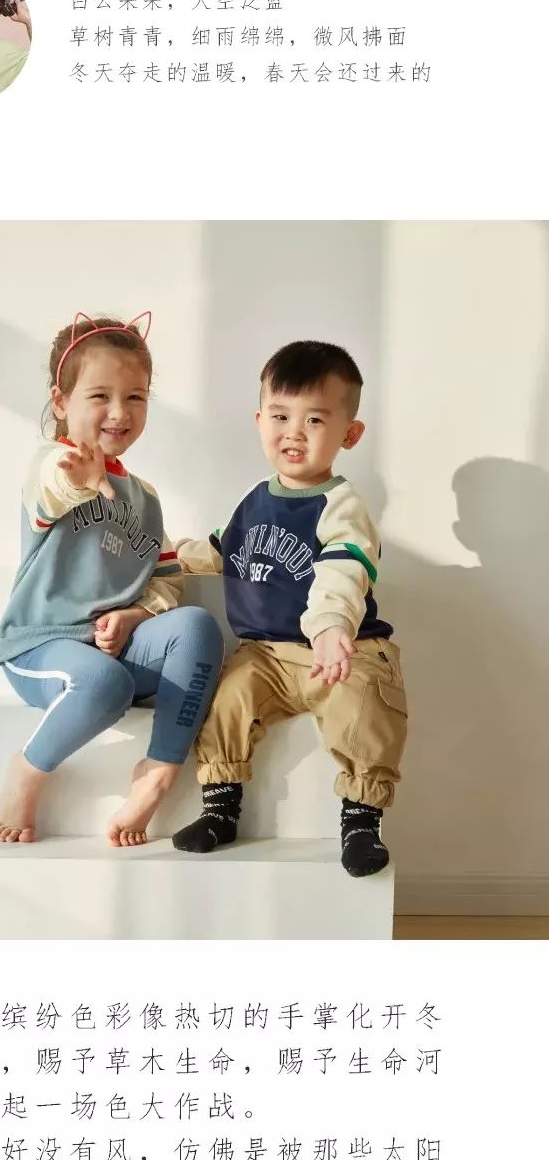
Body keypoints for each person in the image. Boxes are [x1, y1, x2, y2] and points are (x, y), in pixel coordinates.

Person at [173, 340, 408, 877]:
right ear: (260, 421)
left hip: (343, 647)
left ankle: (361, 819)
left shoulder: (342, 506)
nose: (294, 432)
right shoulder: (254, 498)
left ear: (350, 434)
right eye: (280, 416)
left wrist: (331, 626)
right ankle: (220, 808)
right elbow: (219, 550)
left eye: (315, 420)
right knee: (228, 697)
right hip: (266, 655)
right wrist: (166, 555)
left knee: (366, 706)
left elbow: (343, 571)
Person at [0, 311, 224, 848]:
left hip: (115, 649)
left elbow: (166, 578)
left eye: (136, 397)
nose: (120, 412)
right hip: (42, 648)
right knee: (103, 682)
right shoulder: (52, 465)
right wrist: (83, 478)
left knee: (196, 626)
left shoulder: (145, 498)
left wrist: (136, 615)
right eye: (100, 396)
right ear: (60, 402)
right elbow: (55, 490)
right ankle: (26, 772)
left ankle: (158, 772)